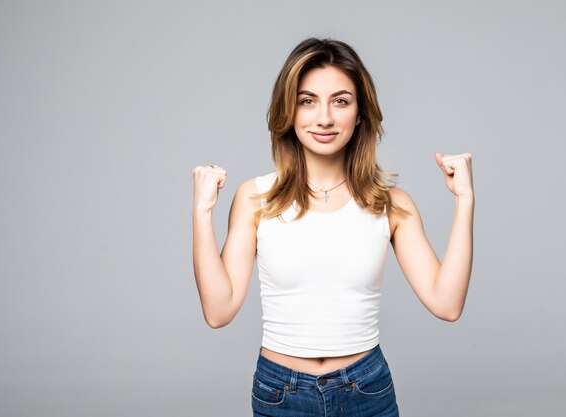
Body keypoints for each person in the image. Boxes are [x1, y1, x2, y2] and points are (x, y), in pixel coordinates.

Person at [192, 38, 474, 417]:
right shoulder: (255, 198)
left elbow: (447, 303)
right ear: (289, 111)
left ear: (359, 113)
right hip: (281, 392)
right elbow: (218, 311)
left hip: (367, 391)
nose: (324, 117)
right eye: (307, 101)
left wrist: (464, 201)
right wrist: (202, 212)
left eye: (340, 101)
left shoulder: (391, 203)